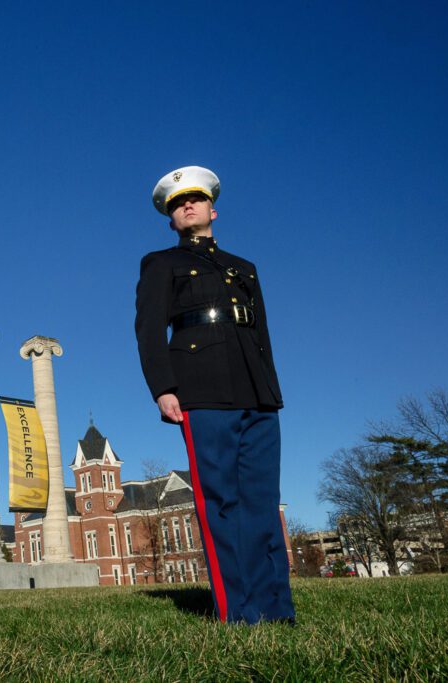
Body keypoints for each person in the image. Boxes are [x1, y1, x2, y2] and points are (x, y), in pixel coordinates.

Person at [134, 165, 295, 624]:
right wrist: (164, 388)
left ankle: (277, 610)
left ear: (213, 209)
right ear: (172, 220)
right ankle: (240, 612)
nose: (187, 205)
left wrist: (271, 388)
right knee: (220, 501)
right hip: (201, 390)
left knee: (263, 502)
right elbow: (148, 330)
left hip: (257, 392)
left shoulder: (244, 269)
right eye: (177, 204)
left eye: (195, 199)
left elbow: (262, 334)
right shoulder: (160, 263)